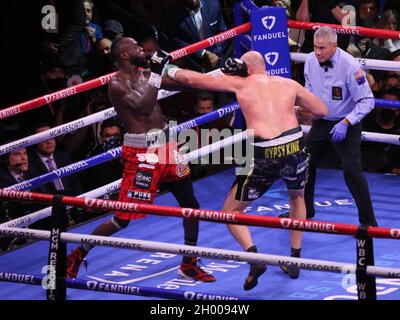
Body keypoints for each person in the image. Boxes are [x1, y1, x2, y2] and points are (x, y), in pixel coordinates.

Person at [166, 51, 328, 286]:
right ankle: (294, 259)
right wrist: (292, 110)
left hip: (265, 153)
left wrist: (167, 67)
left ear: (245, 68)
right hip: (295, 146)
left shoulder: (241, 83)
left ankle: (254, 259)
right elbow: (322, 110)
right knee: (297, 197)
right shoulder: (288, 83)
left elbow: (192, 80)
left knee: (230, 213)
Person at [66, 36, 216, 283]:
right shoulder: (117, 84)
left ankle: (189, 263)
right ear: (123, 55)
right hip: (142, 156)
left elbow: (183, 85)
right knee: (123, 218)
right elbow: (144, 106)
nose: (142, 50)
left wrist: (201, 73)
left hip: (167, 148)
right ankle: (78, 254)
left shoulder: (147, 73)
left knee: (191, 205)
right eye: (135, 47)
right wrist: (157, 73)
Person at [302, 26, 378, 226]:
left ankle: (369, 222)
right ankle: (304, 211)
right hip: (321, 122)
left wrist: (346, 122)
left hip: (347, 122)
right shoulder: (310, 60)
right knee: (304, 165)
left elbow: (367, 101)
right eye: (315, 47)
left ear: (334, 46)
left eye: (322, 48)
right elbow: (309, 87)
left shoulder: (350, 66)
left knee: (352, 171)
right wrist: (307, 107)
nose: (317, 52)